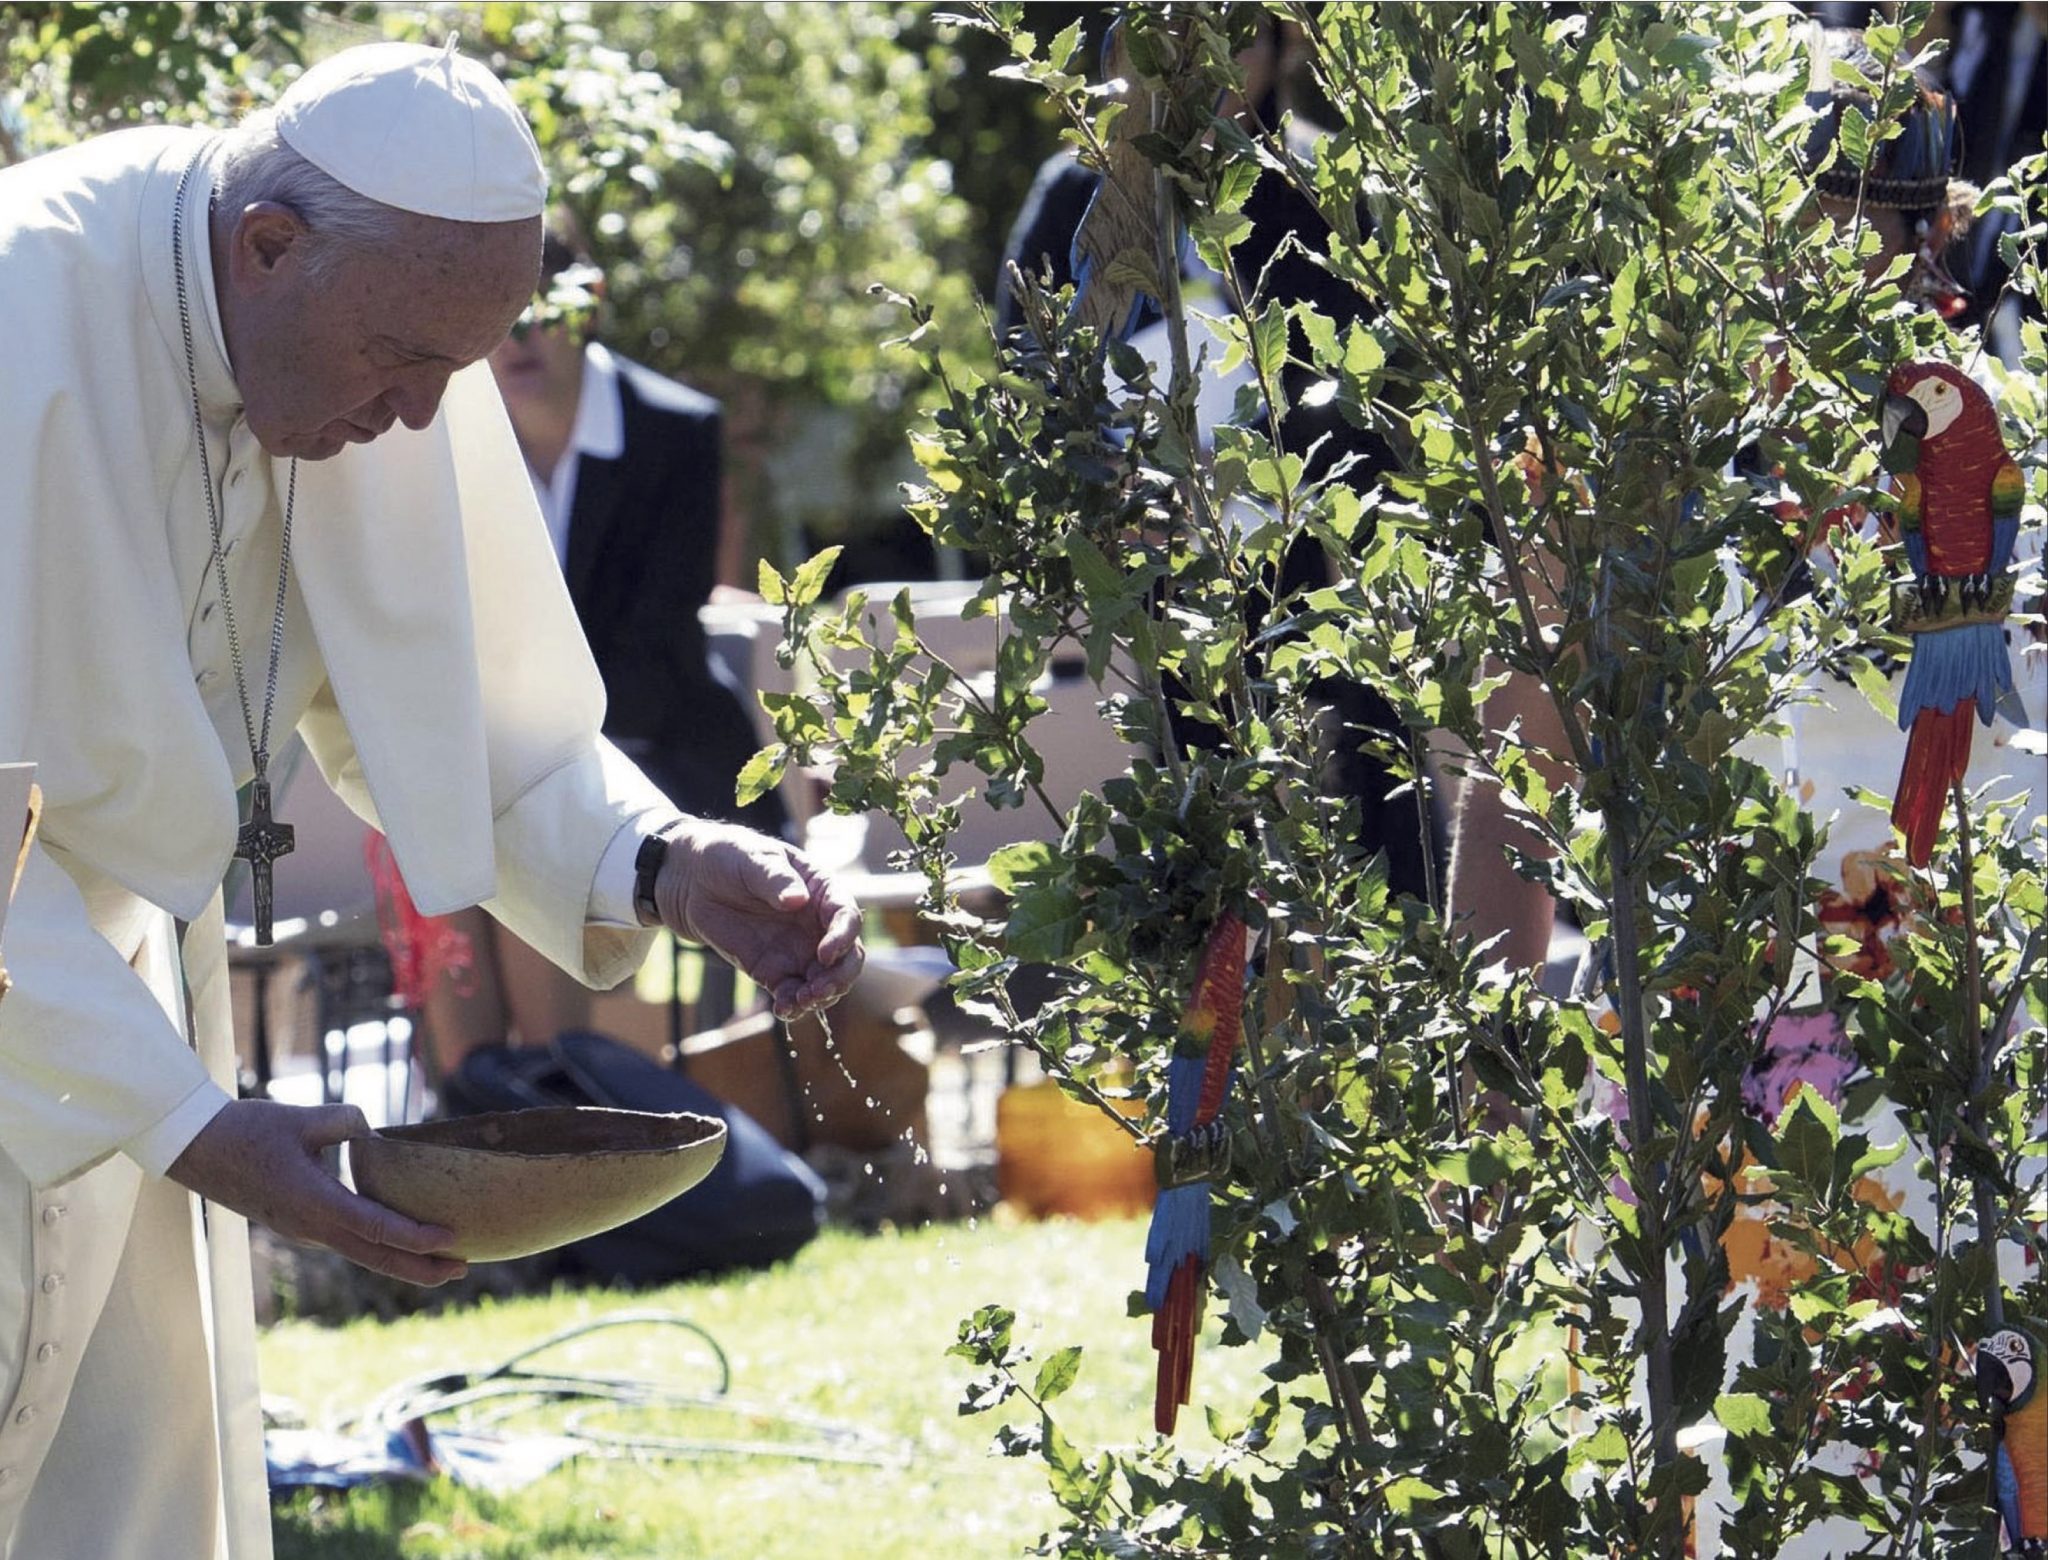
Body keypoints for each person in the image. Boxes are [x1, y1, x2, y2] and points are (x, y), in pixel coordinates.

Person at [0, 39, 862, 1560]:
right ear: (267, 248)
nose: (417, 423)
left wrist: (662, 860)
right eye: (400, 368)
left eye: (450, 377)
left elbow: (474, 704)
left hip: (131, 1016)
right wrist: (191, 1121)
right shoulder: (23, 311)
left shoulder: (385, 311)